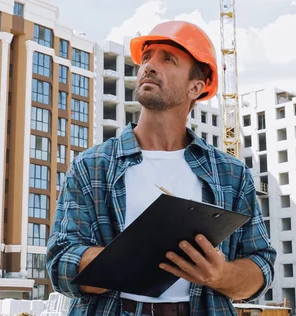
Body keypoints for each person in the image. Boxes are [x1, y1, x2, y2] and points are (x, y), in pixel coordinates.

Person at [46, 21, 276, 316]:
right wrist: (127, 259)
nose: (149, 66)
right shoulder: (91, 166)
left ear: (197, 86)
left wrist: (220, 275)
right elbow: (59, 262)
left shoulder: (231, 174)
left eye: (168, 59)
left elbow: (261, 266)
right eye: (147, 57)